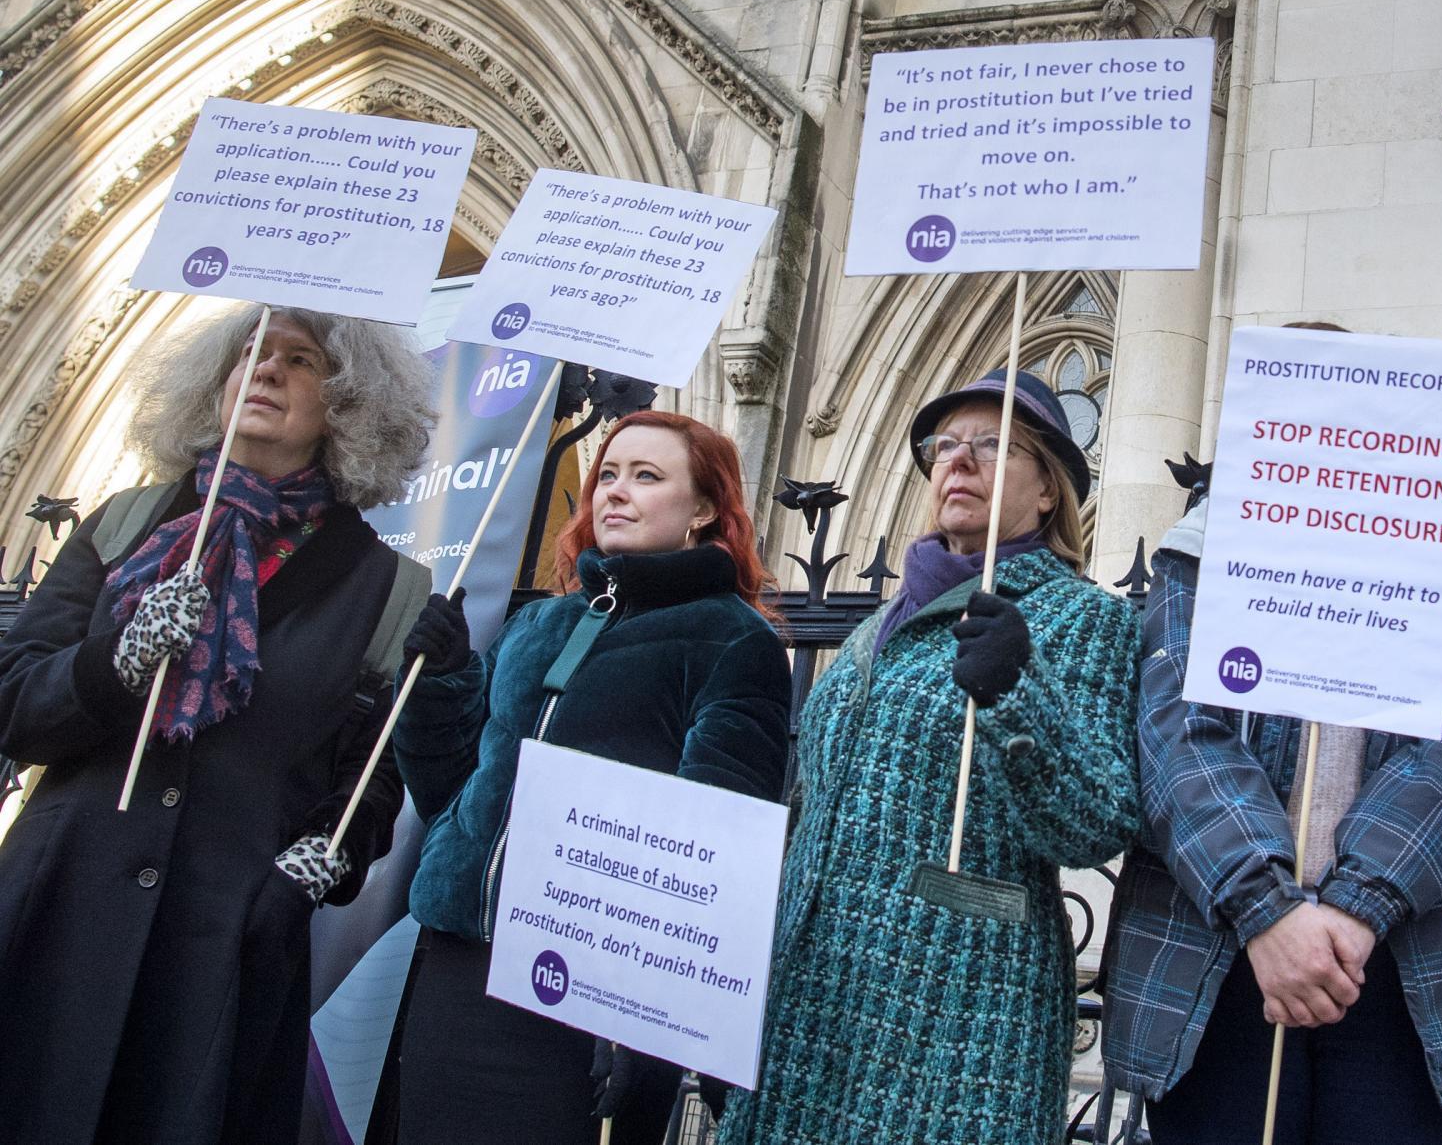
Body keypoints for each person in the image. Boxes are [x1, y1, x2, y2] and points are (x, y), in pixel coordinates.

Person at [0, 304, 435, 1145]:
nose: (264, 370)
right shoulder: (125, 526)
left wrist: (326, 857)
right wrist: (117, 663)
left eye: (299, 360)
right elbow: (15, 705)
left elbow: (370, 781)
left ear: (348, 404)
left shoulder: (388, 590)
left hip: (219, 957)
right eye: (250, 353)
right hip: (59, 923)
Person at [719, 370, 1138, 1145]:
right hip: (814, 996)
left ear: (1049, 491)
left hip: (959, 1010)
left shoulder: (1084, 620)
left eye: (992, 445)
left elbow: (1098, 822)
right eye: (944, 445)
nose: (959, 460)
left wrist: (1018, 690)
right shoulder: (871, 630)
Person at [1101, 437, 1442, 1142]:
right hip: (1215, 957)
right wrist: (1264, 909)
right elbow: (1177, 736)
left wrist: (1360, 906)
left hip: (1402, 960)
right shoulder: (1200, 548)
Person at [392, 409, 791, 1145]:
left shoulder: (735, 641)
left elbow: (716, 849)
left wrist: (648, 1024)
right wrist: (440, 686)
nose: (615, 491)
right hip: (458, 964)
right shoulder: (540, 624)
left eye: (646, 476)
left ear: (704, 509)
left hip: (591, 992)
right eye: (608, 474)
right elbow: (453, 794)